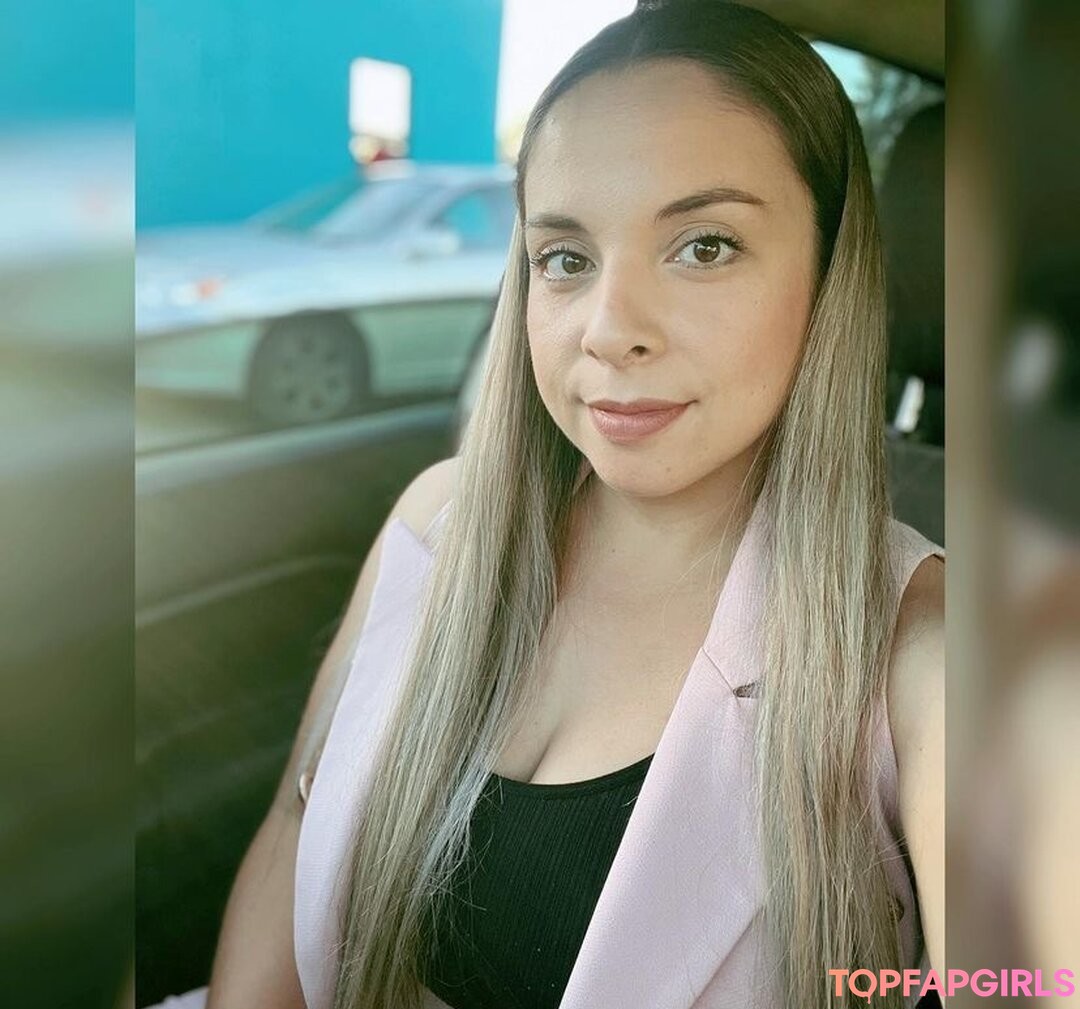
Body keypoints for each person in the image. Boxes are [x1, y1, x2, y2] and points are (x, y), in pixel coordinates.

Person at [174, 3, 945, 1008]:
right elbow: (295, 818)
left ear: (830, 272)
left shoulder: (922, 653)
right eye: (567, 259)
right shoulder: (436, 522)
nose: (608, 329)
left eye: (705, 245)